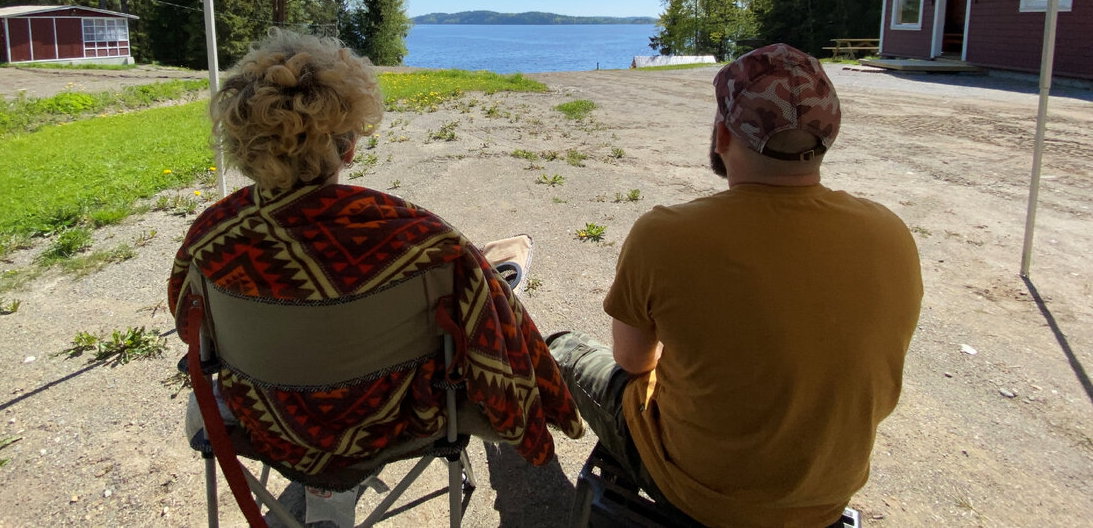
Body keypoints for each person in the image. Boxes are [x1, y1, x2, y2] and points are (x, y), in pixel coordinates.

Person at [169, 30, 582, 487]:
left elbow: (193, 328)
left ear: (243, 146)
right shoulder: (420, 239)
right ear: (347, 146)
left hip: (266, 423)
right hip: (395, 424)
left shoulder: (209, 238)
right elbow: (494, 338)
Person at [549, 43, 922, 528]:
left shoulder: (666, 235)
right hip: (826, 493)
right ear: (827, 135)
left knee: (565, 350)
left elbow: (633, 363)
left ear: (722, 134)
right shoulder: (889, 233)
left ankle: (519, 427)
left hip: (699, 494)